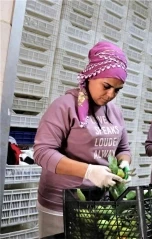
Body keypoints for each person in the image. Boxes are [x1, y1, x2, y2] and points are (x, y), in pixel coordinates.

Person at [34, 41, 135, 238]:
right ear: (91, 76)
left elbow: (123, 147)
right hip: (60, 203)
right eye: (107, 86)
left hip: (99, 202)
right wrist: (88, 171)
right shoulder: (65, 106)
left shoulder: (114, 112)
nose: (110, 95)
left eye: (117, 89)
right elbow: (42, 152)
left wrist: (123, 164)